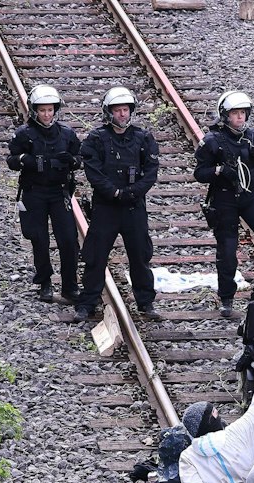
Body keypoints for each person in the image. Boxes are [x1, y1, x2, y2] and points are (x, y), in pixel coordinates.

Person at [77, 86, 160, 322]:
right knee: (95, 257)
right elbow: (93, 171)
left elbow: (151, 171)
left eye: (125, 110)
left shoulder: (143, 137)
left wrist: (132, 192)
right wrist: (113, 192)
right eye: (118, 110)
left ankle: (146, 302)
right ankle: (87, 303)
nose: (122, 114)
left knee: (140, 256)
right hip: (106, 207)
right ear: (109, 112)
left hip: (134, 207)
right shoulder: (96, 138)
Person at [193, 91, 254, 319]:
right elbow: (199, 173)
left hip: (251, 197)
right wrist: (220, 170)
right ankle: (226, 297)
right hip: (224, 199)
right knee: (227, 250)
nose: (240, 118)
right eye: (235, 114)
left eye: (242, 113)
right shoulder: (212, 141)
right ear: (225, 115)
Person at [7, 85, 82, 304]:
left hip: (59, 193)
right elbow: (11, 160)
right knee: (38, 238)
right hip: (34, 192)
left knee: (68, 239)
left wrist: (72, 161)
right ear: (34, 110)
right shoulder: (24, 134)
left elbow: (80, 158)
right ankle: (45, 282)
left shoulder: (67, 133)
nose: (47, 115)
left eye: (50, 110)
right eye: (42, 110)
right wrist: (24, 160)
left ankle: (70, 286)